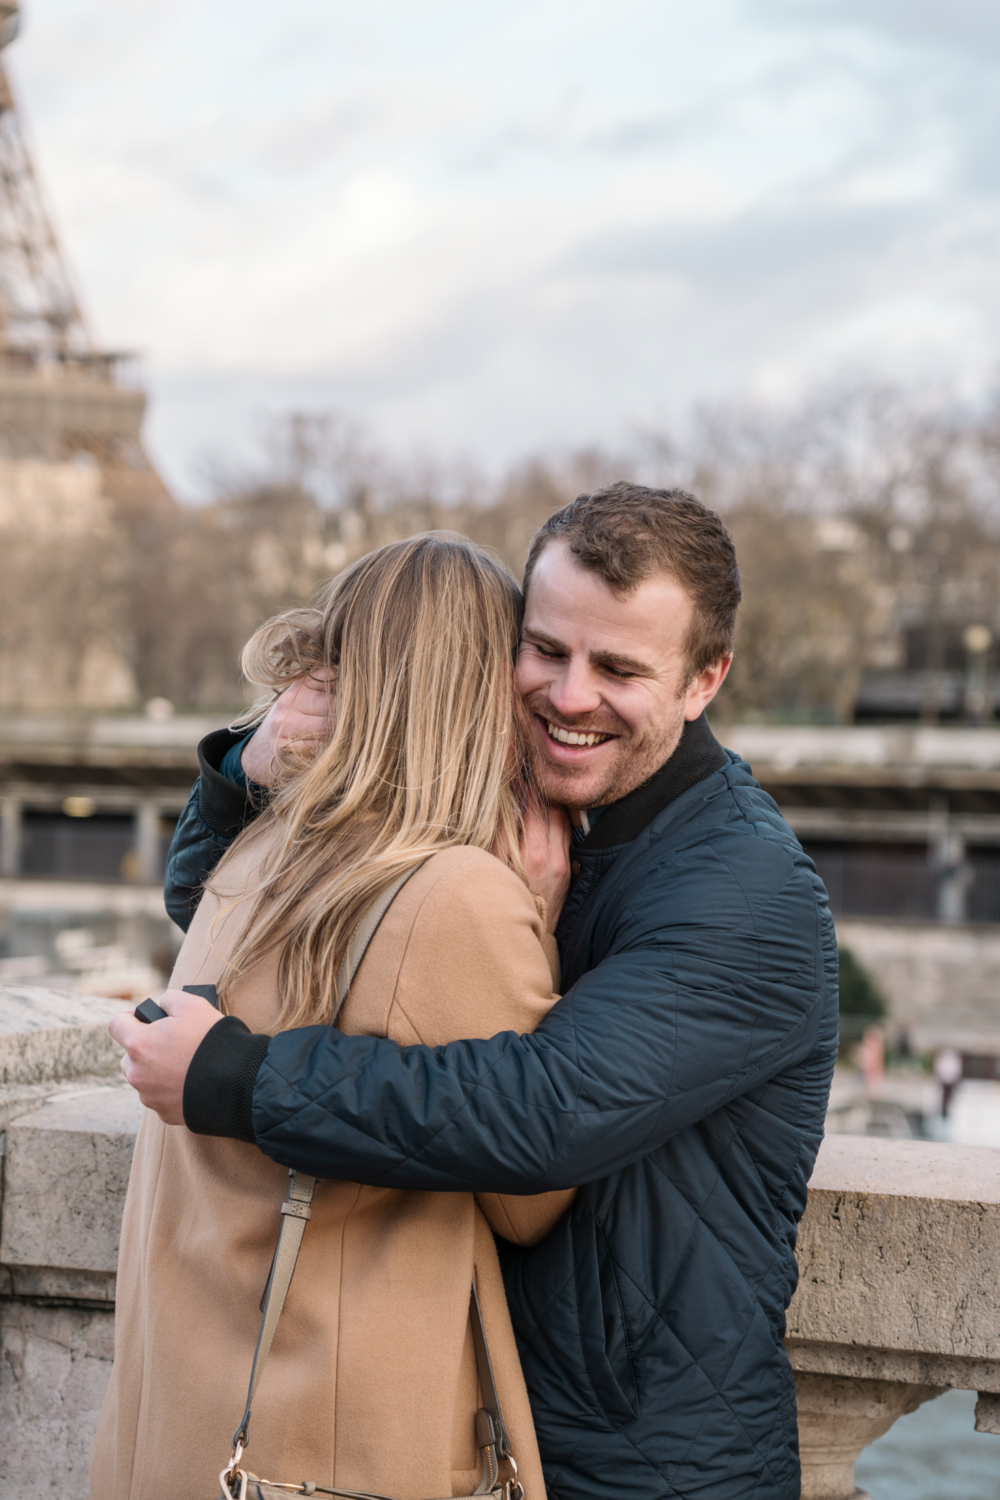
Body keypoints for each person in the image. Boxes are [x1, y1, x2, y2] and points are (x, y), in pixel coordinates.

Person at [117, 483, 840, 1500]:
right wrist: (247, 768)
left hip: (643, 1461)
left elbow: (545, 1114)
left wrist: (238, 1078)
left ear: (703, 679)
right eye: (546, 650)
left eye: (619, 668)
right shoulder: (516, 808)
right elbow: (246, 920)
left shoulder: (744, 892)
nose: (571, 695)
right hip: (489, 1420)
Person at [96, 534, 576, 1500]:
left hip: (185, 1421)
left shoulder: (256, 856)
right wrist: (542, 917)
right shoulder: (454, 896)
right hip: (328, 1443)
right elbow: (536, 1189)